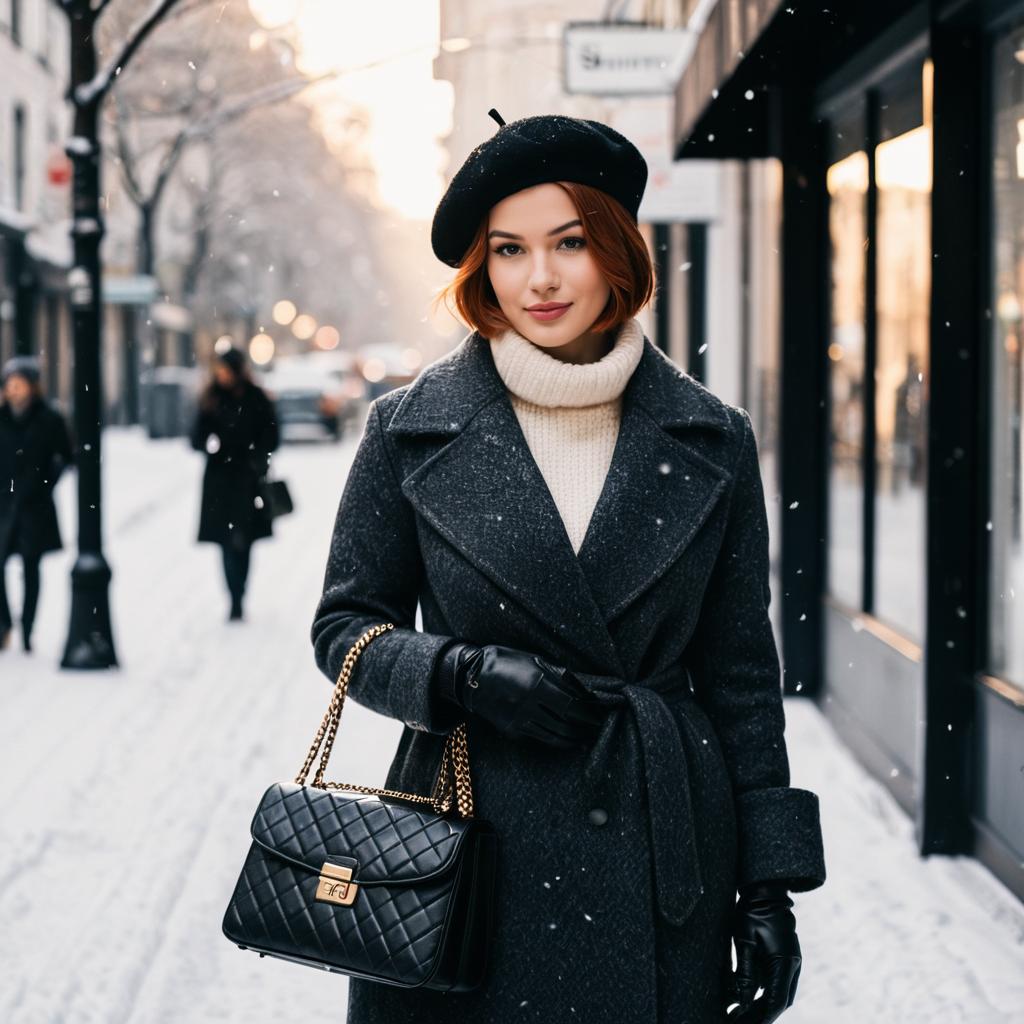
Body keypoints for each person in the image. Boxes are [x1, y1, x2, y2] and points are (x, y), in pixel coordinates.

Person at [311, 113, 826, 1024]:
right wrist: (459, 672)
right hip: (463, 850)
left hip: (664, 847)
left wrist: (768, 887)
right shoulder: (409, 429)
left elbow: (743, 675)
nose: (539, 278)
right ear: (483, 269)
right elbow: (345, 628)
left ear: (618, 253)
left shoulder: (712, 438)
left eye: (570, 242)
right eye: (508, 250)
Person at [190, 346, 279, 621]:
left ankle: (239, 594)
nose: (222, 375)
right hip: (219, 482)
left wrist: (257, 459)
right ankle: (234, 597)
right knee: (226, 543)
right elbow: (196, 437)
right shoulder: (211, 399)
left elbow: (272, 435)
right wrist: (211, 445)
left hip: (247, 481)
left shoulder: (256, 398)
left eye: (226, 370)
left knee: (244, 542)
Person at [0, 356, 74, 653]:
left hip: (35, 504)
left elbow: (65, 456)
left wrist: (46, 482)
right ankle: (4, 623)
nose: (13, 390)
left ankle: (28, 627)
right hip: (4, 503)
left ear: (32, 387)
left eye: (18, 384)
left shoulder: (49, 418)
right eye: (9, 385)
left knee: (31, 567)